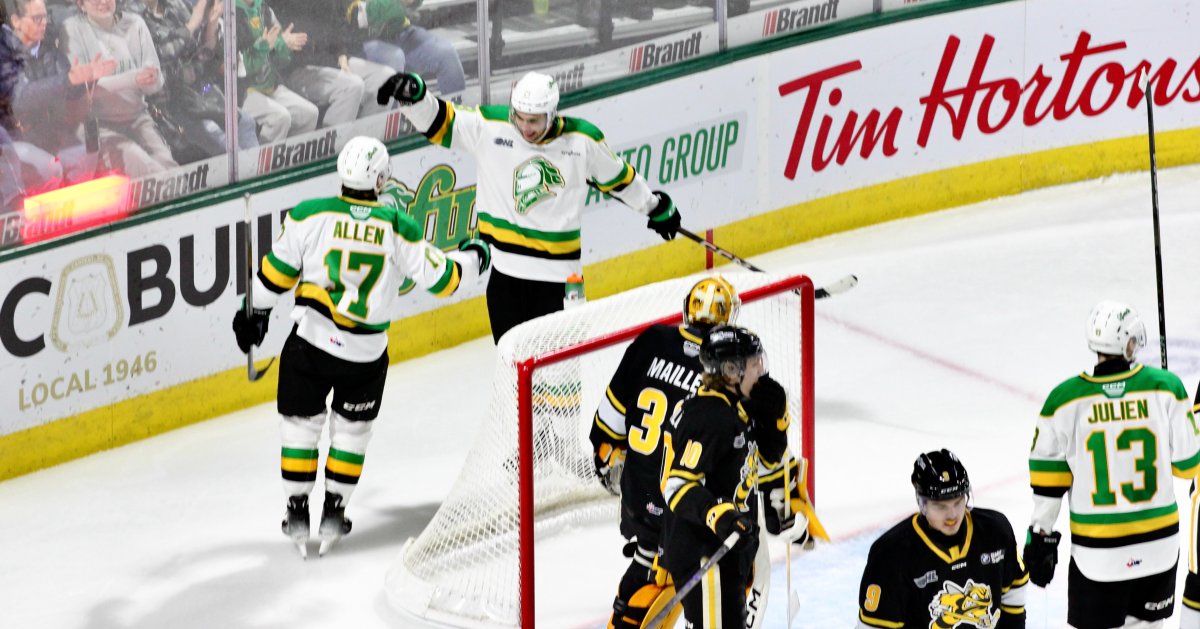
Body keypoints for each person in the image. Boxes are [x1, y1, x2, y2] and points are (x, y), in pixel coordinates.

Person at [230, 135, 491, 556]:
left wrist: (252, 313)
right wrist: (476, 255)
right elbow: (444, 280)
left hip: (311, 344)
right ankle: (334, 511)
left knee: (300, 426)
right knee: (352, 433)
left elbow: (272, 278)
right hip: (365, 356)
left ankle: (296, 510)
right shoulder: (396, 226)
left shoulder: (308, 215)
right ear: (380, 177)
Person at [377, 70, 683, 343]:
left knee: (559, 380)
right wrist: (416, 97)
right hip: (505, 278)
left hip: (559, 283)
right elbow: (441, 122)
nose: (525, 127)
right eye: (520, 117)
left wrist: (655, 207)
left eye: (534, 120)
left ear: (551, 114)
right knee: (513, 374)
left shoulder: (581, 140)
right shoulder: (492, 127)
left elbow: (621, 180)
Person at [1024, 300, 1200, 629]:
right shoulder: (1165, 387)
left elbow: (1049, 484)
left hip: (1099, 556)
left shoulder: (1064, 400)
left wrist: (1041, 537)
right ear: (1131, 342)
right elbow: (1188, 466)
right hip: (1159, 548)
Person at [658, 324, 793, 628]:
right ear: (732, 371)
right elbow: (677, 486)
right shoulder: (709, 416)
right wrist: (720, 514)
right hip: (705, 553)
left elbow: (762, 462)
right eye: (753, 362)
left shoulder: (735, 407)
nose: (761, 368)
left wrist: (775, 427)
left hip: (727, 548)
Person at [855, 449, 1027, 628]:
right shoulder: (891, 555)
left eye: (958, 502)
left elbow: (1013, 597)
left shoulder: (995, 531)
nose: (952, 515)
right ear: (922, 504)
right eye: (940, 506)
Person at [62, 0, 180, 176]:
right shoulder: (72, 28)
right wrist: (134, 78)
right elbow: (84, 87)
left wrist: (151, 79)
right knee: (146, 167)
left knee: (171, 169)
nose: (103, 2)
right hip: (100, 126)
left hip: (139, 118)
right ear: (81, 4)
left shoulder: (135, 23)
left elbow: (155, 84)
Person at [7, 0, 113, 187]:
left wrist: (87, 78)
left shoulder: (51, 54)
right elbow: (21, 98)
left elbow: (70, 90)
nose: (44, 23)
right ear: (16, 21)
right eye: (37, 18)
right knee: (50, 168)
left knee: (91, 153)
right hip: (14, 141)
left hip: (53, 137)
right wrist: (68, 80)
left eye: (45, 17)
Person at [271, 0, 394, 127]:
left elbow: (338, 28)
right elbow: (286, 43)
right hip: (298, 68)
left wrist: (342, 55)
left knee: (386, 78)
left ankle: (367, 138)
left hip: (331, 60)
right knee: (352, 85)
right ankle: (336, 145)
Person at [348, 0, 465, 101]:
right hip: (363, 39)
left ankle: (453, 118)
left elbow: (412, 5)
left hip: (401, 32)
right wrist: (398, 2)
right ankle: (391, 122)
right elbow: (362, 13)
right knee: (394, 58)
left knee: (446, 53)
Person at [234, 0, 317, 141]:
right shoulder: (229, 13)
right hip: (241, 92)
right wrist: (264, 46)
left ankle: (291, 160)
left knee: (309, 114)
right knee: (280, 118)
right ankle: (260, 162)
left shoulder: (265, 10)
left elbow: (281, 62)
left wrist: (284, 46)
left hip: (270, 86)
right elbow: (238, 68)